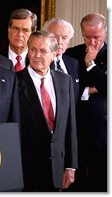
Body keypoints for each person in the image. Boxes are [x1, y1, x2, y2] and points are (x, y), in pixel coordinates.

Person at [18, 30, 78, 191]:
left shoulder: (65, 81)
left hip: (57, 169)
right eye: (33, 49)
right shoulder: (15, 82)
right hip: (26, 171)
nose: (37, 55)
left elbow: (70, 126)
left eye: (43, 51)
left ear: (54, 54)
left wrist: (71, 166)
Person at [65, 13, 107, 192]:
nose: (91, 42)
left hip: (103, 133)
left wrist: (90, 64)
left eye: (96, 37)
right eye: (87, 37)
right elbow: (68, 89)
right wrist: (92, 89)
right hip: (77, 132)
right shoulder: (72, 54)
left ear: (104, 32)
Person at [43, 18, 80, 104]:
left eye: (64, 38)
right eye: (55, 37)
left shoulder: (73, 63)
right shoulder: (38, 62)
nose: (59, 42)